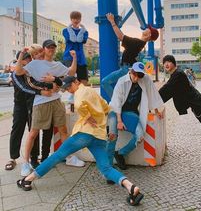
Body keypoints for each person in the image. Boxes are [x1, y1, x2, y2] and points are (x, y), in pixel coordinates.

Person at [16, 76, 144, 206]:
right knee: (105, 168)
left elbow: (78, 105)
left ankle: (28, 179)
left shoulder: (80, 92)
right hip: (98, 136)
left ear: (76, 82)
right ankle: (131, 187)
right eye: (66, 89)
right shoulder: (93, 91)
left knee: (58, 155)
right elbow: (106, 107)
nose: (69, 90)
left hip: (84, 133)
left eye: (69, 86)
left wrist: (87, 116)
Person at [15, 39, 85, 176]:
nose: (51, 50)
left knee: (63, 130)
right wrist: (21, 55)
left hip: (56, 100)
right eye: (48, 47)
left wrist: (75, 58)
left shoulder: (56, 65)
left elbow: (71, 72)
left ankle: (69, 157)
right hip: (40, 102)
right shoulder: (35, 64)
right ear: (44, 49)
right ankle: (26, 163)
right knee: (33, 133)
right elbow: (18, 72)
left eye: (53, 47)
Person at [107, 62, 164, 170]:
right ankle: (108, 168)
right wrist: (119, 121)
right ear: (131, 71)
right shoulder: (121, 82)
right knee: (112, 136)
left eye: (140, 75)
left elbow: (152, 93)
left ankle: (120, 154)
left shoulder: (145, 79)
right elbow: (116, 102)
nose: (137, 78)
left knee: (140, 136)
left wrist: (156, 110)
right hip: (115, 112)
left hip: (130, 113)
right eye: (135, 74)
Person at [101, 13, 159, 101]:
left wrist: (112, 21)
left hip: (125, 70)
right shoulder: (141, 45)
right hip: (128, 70)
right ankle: (120, 101)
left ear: (149, 35)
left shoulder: (137, 43)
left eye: (148, 29)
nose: (147, 28)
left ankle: (116, 102)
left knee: (104, 82)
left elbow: (121, 36)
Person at [62, 11, 89, 85]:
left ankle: (81, 95)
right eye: (74, 18)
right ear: (71, 19)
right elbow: (71, 39)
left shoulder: (85, 32)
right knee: (70, 80)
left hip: (81, 58)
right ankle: (72, 96)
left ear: (80, 19)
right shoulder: (65, 30)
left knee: (84, 80)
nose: (76, 20)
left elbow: (82, 40)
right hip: (69, 57)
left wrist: (81, 30)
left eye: (78, 18)